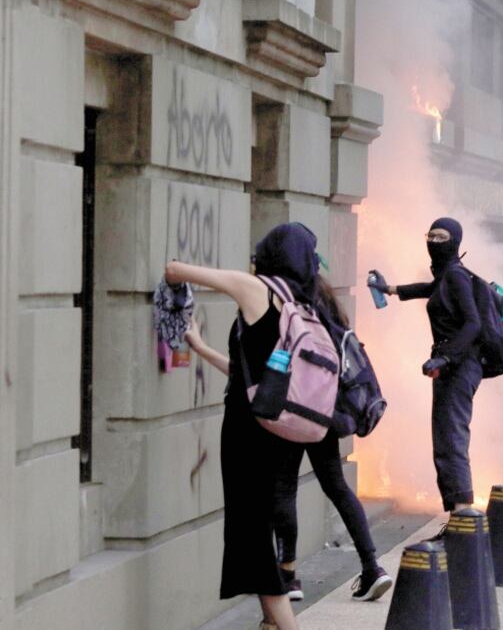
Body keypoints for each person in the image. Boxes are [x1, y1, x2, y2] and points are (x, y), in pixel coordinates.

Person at [184, 273, 393, 604]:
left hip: (292, 413)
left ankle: (289, 575)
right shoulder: (325, 308)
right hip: (324, 413)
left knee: (284, 488)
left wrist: (201, 348)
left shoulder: (276, 312)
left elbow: (248, 378)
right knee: (337, 487)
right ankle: (373, 566)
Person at [165, 222, 332, 630]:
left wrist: (175, 270)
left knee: (251, 535)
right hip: (279, 430)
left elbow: (191, 273)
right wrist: (202, 349)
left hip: (248, 436)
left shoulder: (262, 291)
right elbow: (253, 381)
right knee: (254, 528)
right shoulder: (303, 304)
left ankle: (284, 624)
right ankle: (270, 623)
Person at [368, 217, 483, 516]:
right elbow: (429, 288)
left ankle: (462, 516)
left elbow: (473, 324)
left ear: (455, 241)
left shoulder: (456, 276)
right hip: (449, 365)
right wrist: (390, 288)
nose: (433, 242)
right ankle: (458, 513)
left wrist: (447, 357)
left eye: (441, 237)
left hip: (457, 366)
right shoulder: (448, 275)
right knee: (445, 438)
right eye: (430, 235)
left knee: (451, 438)